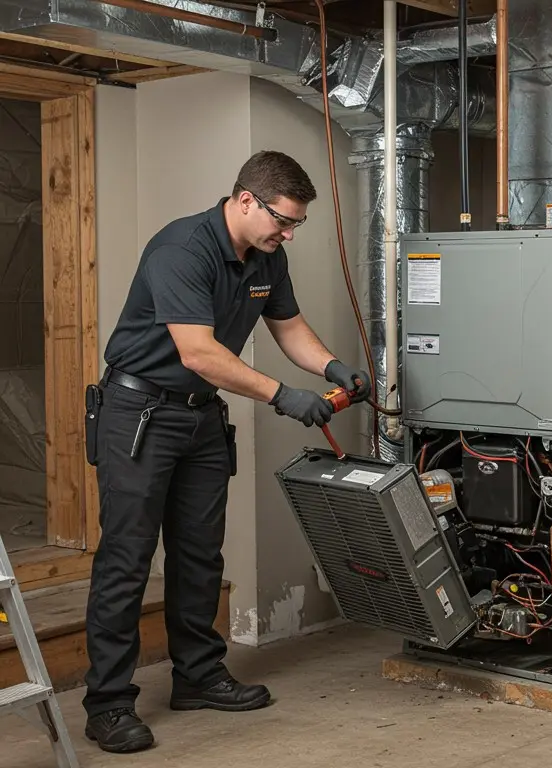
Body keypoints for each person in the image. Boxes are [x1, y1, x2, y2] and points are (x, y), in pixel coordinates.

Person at [80, 150, 371, 754]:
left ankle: (198, 676)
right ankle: (107, 703)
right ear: (245, 200)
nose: (287, 234)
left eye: (294, 226)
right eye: (283, 221)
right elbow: (200, 353)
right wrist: (284, 396)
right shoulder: (180, 250)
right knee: (127, 559)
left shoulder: (268, 256)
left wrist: (332, 366)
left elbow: (288, 327)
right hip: (139, 414)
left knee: (200, 553)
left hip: (199, 419)